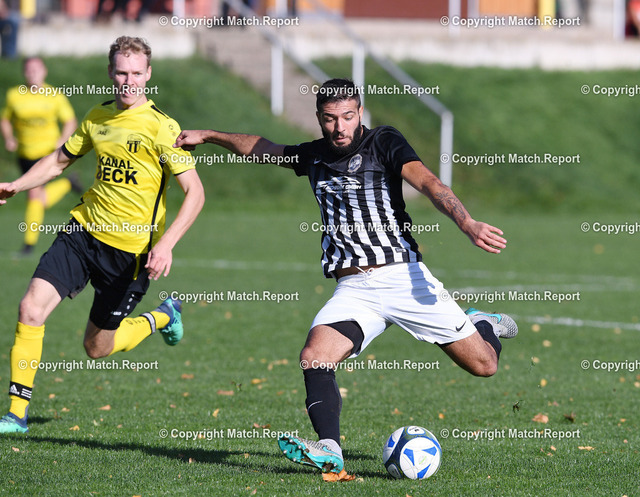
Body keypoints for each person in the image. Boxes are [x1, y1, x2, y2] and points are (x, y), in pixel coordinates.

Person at [173, 78, 516, 480]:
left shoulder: (383, 141)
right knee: (314, 357)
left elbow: (429, 183)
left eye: (348, 117)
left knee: (484, 365)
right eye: (330, 119)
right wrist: (209, 136)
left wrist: (467, 222)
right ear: (319, 118)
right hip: (354, 289)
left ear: (360, 113)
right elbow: (262, 148)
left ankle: (482, 323)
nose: (339, 127)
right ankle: (330, 449)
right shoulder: (314, 155)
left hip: (402, 277)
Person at [0, 36, 205, 434]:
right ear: (111, 72)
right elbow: (58, 160)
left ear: (148, 74)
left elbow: (195, 193)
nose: (129, 81)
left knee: (96, 348)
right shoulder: (98, 117)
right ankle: (16, 414)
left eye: (136, 73)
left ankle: (163, 315)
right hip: (82, 233)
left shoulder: (162, 127)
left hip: (129, 255)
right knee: (30, 309)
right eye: (121, 72)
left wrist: (166, 244)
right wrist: (17, 185)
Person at [1, 56, 80, 256]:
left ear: (44, 71)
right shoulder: (14, 95)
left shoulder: (54, 95)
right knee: (38, 198)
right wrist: (9, 138)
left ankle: (28, 244)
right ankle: (67, 184)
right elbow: (5, 120)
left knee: (34, 195)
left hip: (46, 155)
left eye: (36, 69)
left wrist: (62, 140)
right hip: (24, 155)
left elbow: (70, 121)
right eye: (29, 69)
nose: (33, 73)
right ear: (24, 73)